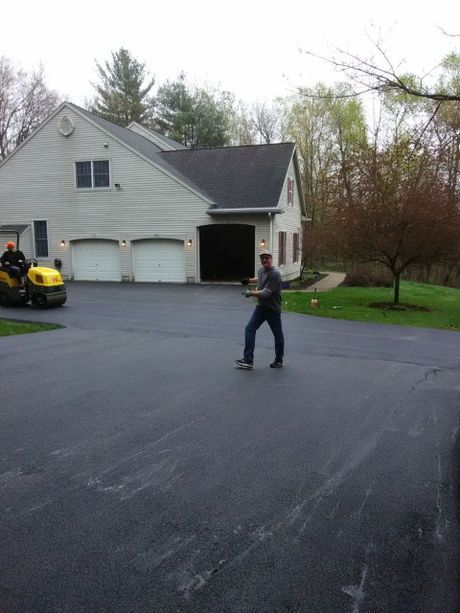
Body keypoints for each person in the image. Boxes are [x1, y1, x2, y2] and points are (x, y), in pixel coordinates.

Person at [235, 249, 284, 370]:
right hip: (261, 308)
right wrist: (249, 280)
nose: (264, 260)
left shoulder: (275, 274)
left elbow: (266, 293)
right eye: (262, 258)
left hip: (272, 309)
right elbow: (260, 278)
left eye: (267, 258)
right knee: (249, 330)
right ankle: (248, 360)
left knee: (278, 335)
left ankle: (279, 360)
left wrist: (250, 293)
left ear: (271, 259)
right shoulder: (261, 269)